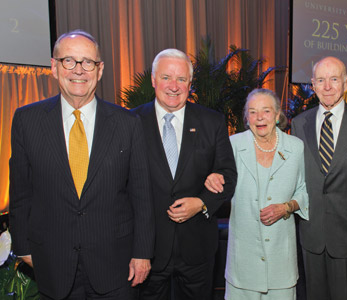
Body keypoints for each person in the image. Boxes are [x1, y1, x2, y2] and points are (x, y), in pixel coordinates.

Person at [9, 30, 154, 300]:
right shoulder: (26, 121)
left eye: (88, 62)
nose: (79, 70)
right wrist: (23, 246)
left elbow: (142, 195)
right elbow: (21, 193)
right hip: (51, 262)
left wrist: (142, 253)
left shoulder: (127, 123)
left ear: (99, 71)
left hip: (116, 266)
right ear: (54, 67)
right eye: (69, 61)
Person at [132, 48, 237, 300]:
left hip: (197, 248)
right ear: (154, 79)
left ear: (190, 84)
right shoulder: (130, 121)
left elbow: (228, 175)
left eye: (181, 79)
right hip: (148, 250)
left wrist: (201, 202)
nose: (173, 86)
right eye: (166, 77)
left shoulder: (212, 122)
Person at [205, 88, 309, 299]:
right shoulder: (233, 145)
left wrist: (286, 207)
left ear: (278, 115)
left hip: (281, 261)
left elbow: (305, 190)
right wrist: (212, 177)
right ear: (246, 117)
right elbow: (217, 177)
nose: (259, 117)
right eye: (253, 112)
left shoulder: (296, 147)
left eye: (266, 111)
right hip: (243, 263)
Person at [291, 56, 347, 300]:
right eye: (321, 80)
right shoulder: (299, 124)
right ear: (312, 84)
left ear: (346, 82)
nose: (328, 86)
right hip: (312, 233)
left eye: (334, 79)